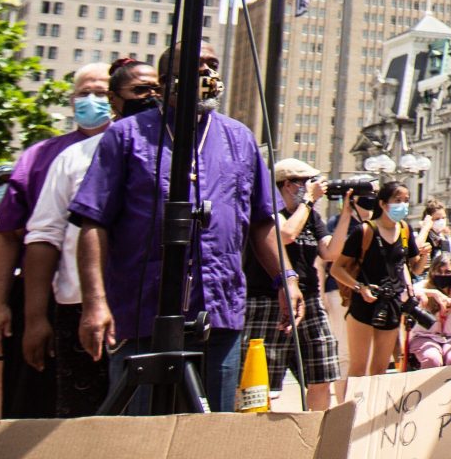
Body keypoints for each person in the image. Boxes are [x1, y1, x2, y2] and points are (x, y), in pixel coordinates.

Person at [73, 41, 294, 413]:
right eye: (196, 65)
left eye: (213, 64)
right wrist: (95, 303)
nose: (207, 73)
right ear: (164, 81)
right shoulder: (126, 135)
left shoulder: (238, 138)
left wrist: (284, 277)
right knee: (138, 434)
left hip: (218, 313)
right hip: (145, 312)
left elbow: (261, 222)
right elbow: (94, 222)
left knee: (210, 435)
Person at [21, 59, 159, 416]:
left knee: (143, 427)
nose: (151, 98)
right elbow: (43, 236)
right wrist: (36, 317)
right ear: (117, 100)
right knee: (81, 426)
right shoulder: (74, 157)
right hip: (82, 311)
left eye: (156, 91)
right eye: (140, 91)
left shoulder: (174, 154)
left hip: (148, 312)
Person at [0, 63, 113, 419]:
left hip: (117, 305)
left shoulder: (136, 150)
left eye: (101, 93)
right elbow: (10, 236)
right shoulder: (42, 156)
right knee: (35, 412)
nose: (92, 101)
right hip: (51, 304)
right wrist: (1, 307)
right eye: (83, 93)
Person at [235, 157, 342, 409]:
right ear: (287, 185)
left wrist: (346, 212)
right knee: (261, 382)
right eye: (305, 182)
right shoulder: (269, 212)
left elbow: (330, 253)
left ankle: (318, 435)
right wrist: (308, 201)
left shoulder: (311, 216)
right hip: (267, 300)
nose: (311, 187)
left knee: (322, 375)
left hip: (310, 300)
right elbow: (286, 234)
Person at [330, 181, 420, 379]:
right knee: (358, 368)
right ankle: (352, 409)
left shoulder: (405, 230)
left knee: (379, 370)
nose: (403, 205)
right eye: (397, 200)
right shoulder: (365, 231)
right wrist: (359, 287)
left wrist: (424, 257)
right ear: (382, 203)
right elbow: (336, 268)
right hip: (364, 303)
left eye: (406, 201)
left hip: (392, 304)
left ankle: (373, 409)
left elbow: (413, 267)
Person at [409, 254, 451, 367]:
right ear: (432, 272)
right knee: (432, 359)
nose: (443, 275)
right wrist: (432, 293)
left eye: (447, 272)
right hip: (426, 336)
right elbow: (406, 292)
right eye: (439, 271)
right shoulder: (424, 286)